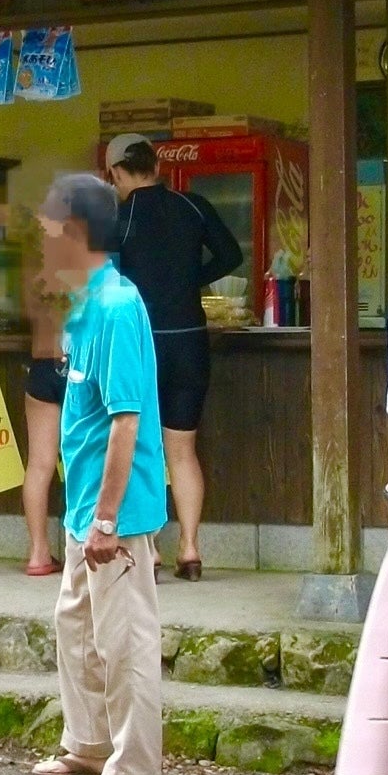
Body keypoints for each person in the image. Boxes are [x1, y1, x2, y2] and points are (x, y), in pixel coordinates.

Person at [28, 173, 168, 775]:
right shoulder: (83, 304)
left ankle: (133, 769)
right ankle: (87, 743)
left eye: (48, 229)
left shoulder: (115, 306)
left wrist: (108, 520)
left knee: (124, 637)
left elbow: (126, 419)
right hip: (84, 501)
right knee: (77, 627)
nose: (41, 240)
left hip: (116, 510)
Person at [103, 134, 243, 581]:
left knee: (140, 447)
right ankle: (191, 549)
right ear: (157, 166)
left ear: (116, 173)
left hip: (141, 344)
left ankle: (152, 550)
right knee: (182, 449)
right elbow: (232, 254)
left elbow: (104, 280)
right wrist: (190, 279)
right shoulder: (192, 206)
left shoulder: (119, 218)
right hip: (189, 342)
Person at [20, 221, 70, 576]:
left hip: (41, 367)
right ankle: (79, 548)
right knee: (84, 460)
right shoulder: (82, 271)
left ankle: (38, 553)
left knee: (39, 465)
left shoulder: (31, 275)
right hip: (77, 369)